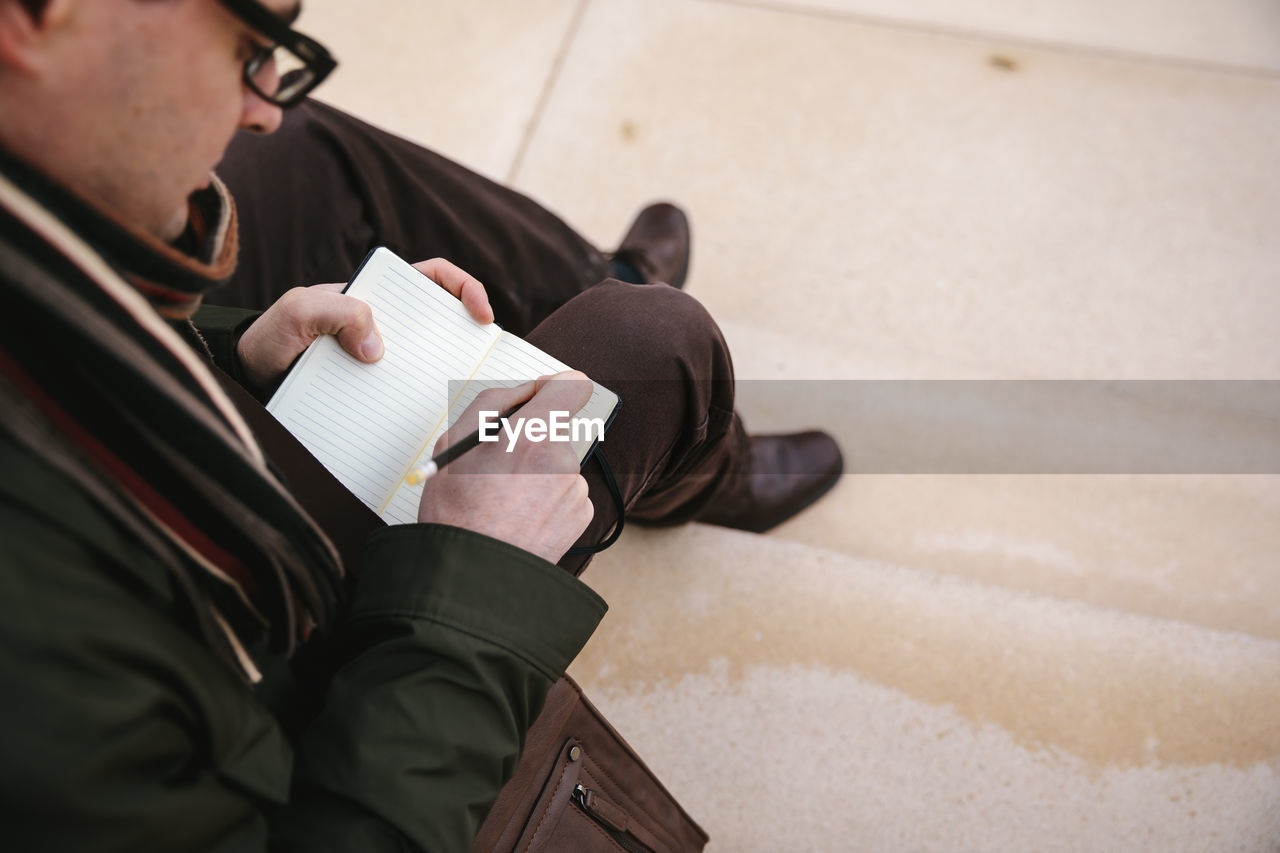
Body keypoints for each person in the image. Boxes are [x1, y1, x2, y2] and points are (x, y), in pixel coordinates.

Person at [0, 0, 842, 850]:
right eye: (251, 44)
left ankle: (586, 285)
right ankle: (695, 460)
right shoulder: (43, 676)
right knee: (648, 344)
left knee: (299, 149)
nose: (263, 95)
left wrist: (230, 357)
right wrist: (474, 579)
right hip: (281, 674)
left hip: (163, 458)